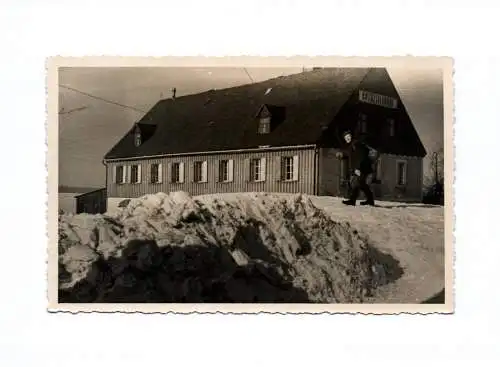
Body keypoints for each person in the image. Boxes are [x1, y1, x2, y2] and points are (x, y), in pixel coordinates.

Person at [341, 130, 376, 206]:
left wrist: (357, 168)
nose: (347, 138)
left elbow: (360, 156)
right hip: (362, 167)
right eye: (345, 137)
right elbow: (351, 156)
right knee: (362, 184)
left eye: (348, 136)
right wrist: (342, 155)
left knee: (358, 183)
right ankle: (370, 200)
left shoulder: (355, 144)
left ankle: (352, 201)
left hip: (362, 167)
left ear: (351, 136)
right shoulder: (351, 145)